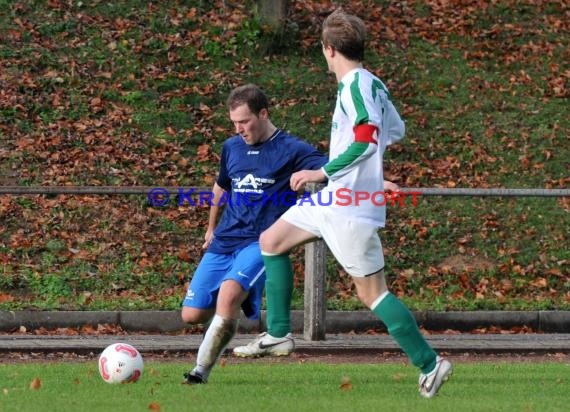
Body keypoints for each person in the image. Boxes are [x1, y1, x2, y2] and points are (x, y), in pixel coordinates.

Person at [232, 9, 452, 398]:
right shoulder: (373, 84)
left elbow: (367, 141)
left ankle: (430, 364)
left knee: (372, 294)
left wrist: (323, 173)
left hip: (348, 207)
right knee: (271, 240)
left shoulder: (354, 86)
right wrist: (366, 173)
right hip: (336, 200)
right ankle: (280, 335)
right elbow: (393, 131)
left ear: (329, 50)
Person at [180, 84, 328, 384]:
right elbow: (221, 187)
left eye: (244, 122)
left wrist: (374, 181)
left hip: (261, 240)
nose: (239, 129)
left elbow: (335, 167)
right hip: (225, 239)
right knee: (192, 315)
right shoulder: (231, 147)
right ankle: (247, 298)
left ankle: (200, 372)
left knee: (228, 293)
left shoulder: (292, 149)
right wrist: (210, 228)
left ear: (263, 113)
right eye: (234, 123)